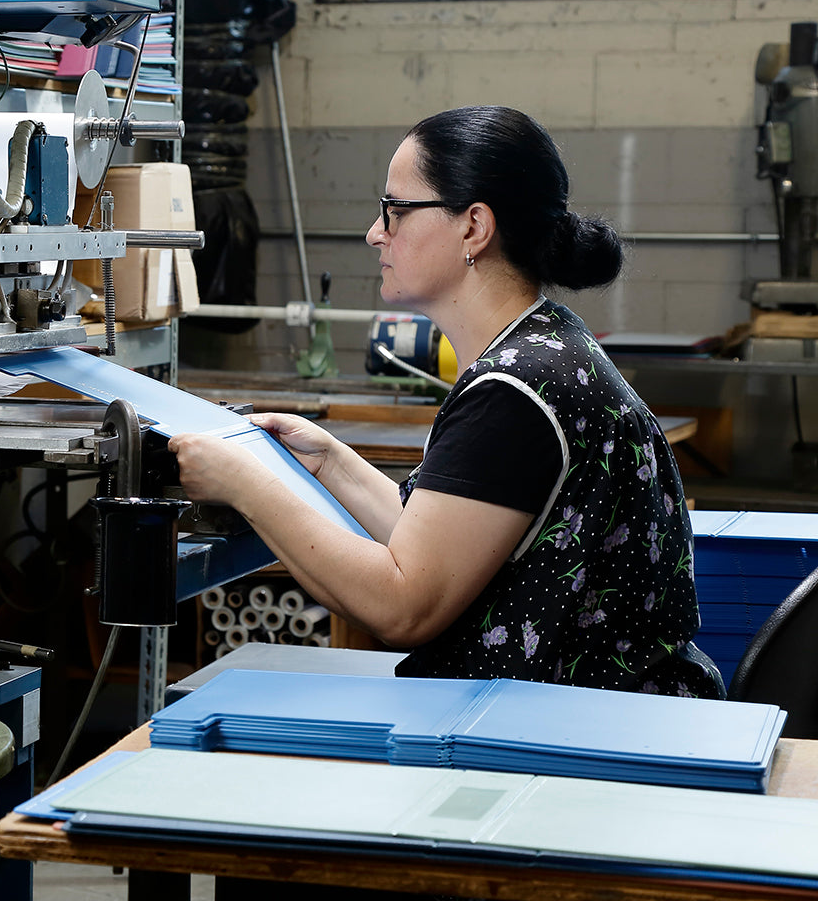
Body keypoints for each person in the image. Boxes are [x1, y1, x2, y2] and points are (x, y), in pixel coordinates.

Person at [171, 106, 724, 697]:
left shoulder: (514, 395)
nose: (375, 232)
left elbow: (404, 606)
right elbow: (435, 541)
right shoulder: (545, 345)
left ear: (473, 228)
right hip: (594, 709)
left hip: (577, 734)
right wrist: (329, 461)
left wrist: (244, 484)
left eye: (397, 210)